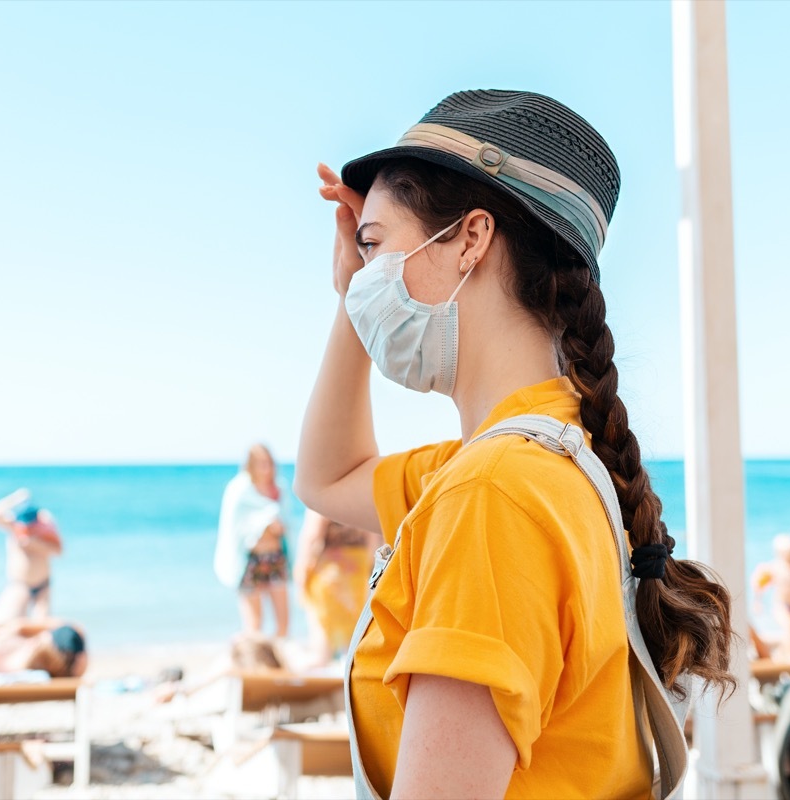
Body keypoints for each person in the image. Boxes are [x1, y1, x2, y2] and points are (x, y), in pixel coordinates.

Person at [295, 89, 734, 798]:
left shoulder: (493, 494)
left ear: (471, 237)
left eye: (373, 245)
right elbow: (328, 477)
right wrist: (352, 293)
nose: (365, 272)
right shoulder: (552, 459)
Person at [214, 444, 292, 638]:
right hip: (251, 560)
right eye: (261, 463)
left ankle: (275, 655)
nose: (266, 468)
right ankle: (249, 655)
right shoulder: (240, 489)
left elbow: (285, 522)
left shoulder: (279, 488)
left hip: (275, 558)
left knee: (283, 623)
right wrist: (264, 523)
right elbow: (235, 527)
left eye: (269, 463)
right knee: (254, 624)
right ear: (251, 465)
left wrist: (275, 525)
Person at [293, 509, 380, 666]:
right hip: (357, 572)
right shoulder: (364, 501)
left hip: (330, 571)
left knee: (322, 639)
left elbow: (312, 537)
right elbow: (374, 542)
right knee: (352, 643)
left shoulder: (324, 501)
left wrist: (301, 574)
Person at [0, 488, 63, 622]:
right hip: (20, 585)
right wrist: (14, 499)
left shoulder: (45, 528)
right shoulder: (14, 525)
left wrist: (34, 544)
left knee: (41, 624)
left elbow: (59, 551)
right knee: (0, 623)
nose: (26, 529)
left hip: (43, 585)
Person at [0, 618, 88, 678]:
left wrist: (23, 627)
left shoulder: (1, 643)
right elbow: (79, 669)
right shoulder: (55, 672)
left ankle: (40, 587)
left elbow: (77, 627)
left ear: (34, 642)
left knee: (21, 589)